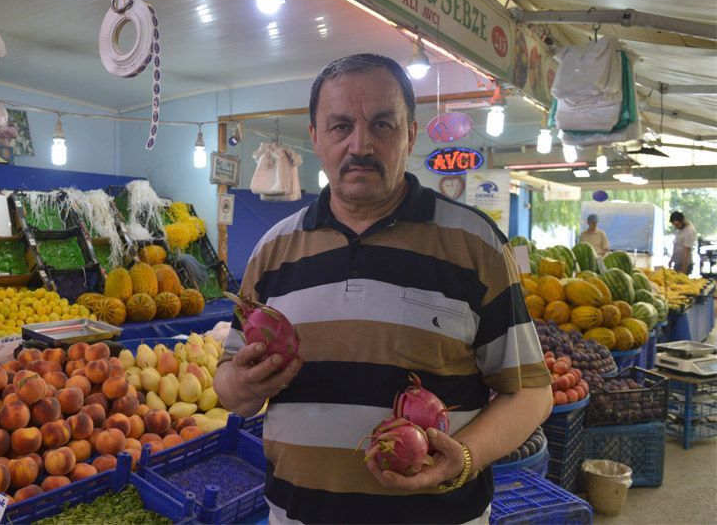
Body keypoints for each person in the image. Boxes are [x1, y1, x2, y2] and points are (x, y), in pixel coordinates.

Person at [213, 54, 552, 524]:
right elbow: (232, 389)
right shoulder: (273, 251)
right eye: (340, 126)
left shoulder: (475, 245)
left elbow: (531, 392)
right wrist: (240, 384)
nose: (361, 144)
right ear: (315, 137)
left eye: (382, 125)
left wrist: (465, 456)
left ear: (410, 134)